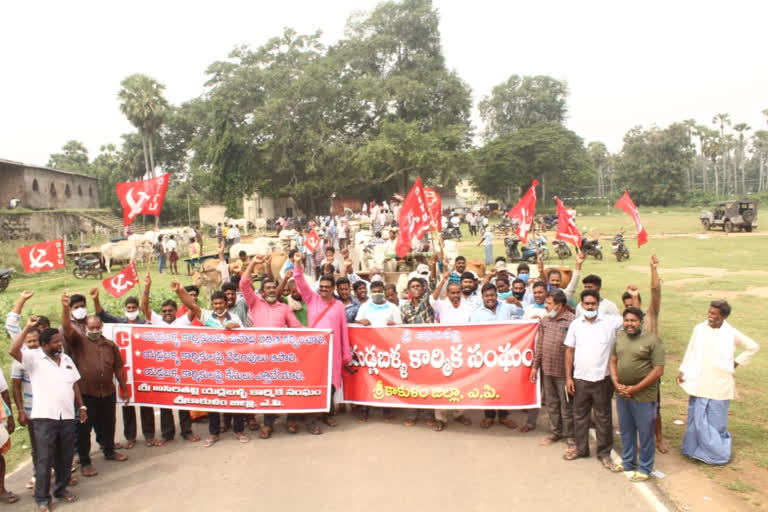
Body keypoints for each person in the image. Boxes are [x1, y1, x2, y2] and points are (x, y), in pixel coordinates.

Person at [10, 319, 86, 510]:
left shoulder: (66, 359)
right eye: (55, 342)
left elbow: (74, 383)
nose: (59, 344)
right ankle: (42, 499)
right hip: (44, 418)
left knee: (65, 456)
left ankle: (61, 489)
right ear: (44, 345)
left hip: (67, 416)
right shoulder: (32, 358)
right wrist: (27, 327)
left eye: (60, 341)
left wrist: (82, 407)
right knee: (44, 459)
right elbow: (13, 351)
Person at [678, 300, 759, 465]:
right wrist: (683, 370)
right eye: (709, 312)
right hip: (699, 381)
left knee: (715, 422)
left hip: (720, 385)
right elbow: (691, 350)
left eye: (714, 314)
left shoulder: (731, 333)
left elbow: (753, 347)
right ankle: (692, 450)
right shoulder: (699, 329)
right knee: (696, 418)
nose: (710, 316)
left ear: (724, 316)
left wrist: (736, 362)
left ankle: (716, 455)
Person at [61, 294, 129, 478]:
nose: (95, 330)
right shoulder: (78, 342)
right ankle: (85, 461)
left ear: (102, 327)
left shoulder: (110, 345)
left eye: (98, 327)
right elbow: (66, 328)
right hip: (86, 394)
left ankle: (110, 451)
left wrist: (124, 387)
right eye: (92, 328)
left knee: (109, 424)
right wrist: (65, 309)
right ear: (85, 327)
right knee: (84, 429)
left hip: (107, 392)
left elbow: (119, 368)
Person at [171, 282, 247, 447]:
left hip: (232, 365)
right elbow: (190, 304)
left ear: (226, 303)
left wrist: (232, 326)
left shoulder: (234, 318)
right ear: (212, 305)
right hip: (212, 366)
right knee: (213, 399)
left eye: (221, 303)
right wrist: (179, 290)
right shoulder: (206, 316)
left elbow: (244, 333)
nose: (218, 306)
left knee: (235, 398)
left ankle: (238, 430)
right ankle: (214, 433)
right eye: (215, 304)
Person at [92, 288, 164, 449]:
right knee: (128, 404)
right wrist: (96, 299)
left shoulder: (144, 324)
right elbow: (101, 315)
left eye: (133, 308)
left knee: (146, 403)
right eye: (128, 308)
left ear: (138, 309)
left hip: (143, 370)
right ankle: (130, 436)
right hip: (126, 371)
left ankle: (149, 435)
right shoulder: (119, 323)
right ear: (125, 309)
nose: (131, 310)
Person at [240, 257, 303, 438]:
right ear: (261, 292)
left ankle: (290, 420)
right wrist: (252, 264)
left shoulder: (284, 308)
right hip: (261, 357)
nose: (271, 290)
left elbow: (297, 328)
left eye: (273, 288)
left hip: (282, 357)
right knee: (267, 390)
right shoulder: (254, 304)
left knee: (288, 388)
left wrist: (320, 334)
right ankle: (268, 424)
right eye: (267, 288)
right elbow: (244, 283)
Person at [292, 253, 353, 433]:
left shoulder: (339, 306)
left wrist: (345, 353)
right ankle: (312, 420)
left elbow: (343, 330)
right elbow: (301, 284)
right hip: (314, 351)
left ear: (333, 288)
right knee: (314, 384)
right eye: (322, 287)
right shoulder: (312, 299)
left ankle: (327, 414)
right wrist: (297, 265)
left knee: (331, 384)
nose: (324, 289)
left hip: (332, 351)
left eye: (327, 287)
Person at [563, 289, 622, 468]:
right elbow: (569, 351)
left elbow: (632, 317)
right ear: (581, 305)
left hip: (602, 380)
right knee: (579, 416)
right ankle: (581, 449)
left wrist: (634, 297)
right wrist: (568, 378)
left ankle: (604, 453)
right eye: (586, 304)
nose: (590, 307)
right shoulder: (576, 325)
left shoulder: (610, 323)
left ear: (598, 305)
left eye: (593, 304)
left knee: (603, 417)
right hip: (580, 379)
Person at [140, 272, 200, 443]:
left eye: (170, 311)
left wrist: (180, 292)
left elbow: (193, 307)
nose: (167, 313)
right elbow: (144, 307)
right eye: (164, 311)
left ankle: (186, 431)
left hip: (180, 368)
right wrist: (147, 287)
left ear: (176, 311)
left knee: (183, 402)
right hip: (162, 369)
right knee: (165, 401)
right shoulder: (157, 321)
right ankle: (167, 434)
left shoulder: (182, 322)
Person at [609, 307, 665, 482]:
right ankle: (628, 462)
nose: (629, 324)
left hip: (644, 397)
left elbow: (658, 370)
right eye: (627, 320)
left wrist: (636, 388)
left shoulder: (653, 340)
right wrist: (616, 382)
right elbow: (613, 361)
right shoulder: (620, 338)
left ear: (641, 322)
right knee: (626, 430)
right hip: (622, 393)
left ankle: (645, 468)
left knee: (645, 433)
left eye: (633, 321)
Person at [622, 254, 667, 453]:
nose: (630, 308)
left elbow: (656, 292)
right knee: (635, 408)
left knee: (654, 408)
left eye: (633, 303)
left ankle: (659, 439)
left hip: (651, 371)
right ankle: (642, 440)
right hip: (632, 372)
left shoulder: (651, 315)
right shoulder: (625, 324)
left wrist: (653, 270)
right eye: (627, 306)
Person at [428, 271, 474, 430]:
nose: (455, 295)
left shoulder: (467, 308)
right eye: (452, 292)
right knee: (442, 383)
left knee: (461, 382)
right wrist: (443, 280)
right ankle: (440, 417)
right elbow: (432, 299)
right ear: (447, 294)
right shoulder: (442, 305)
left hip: (462, 351)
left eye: (457, 292)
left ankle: (459, 413)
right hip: (444, 350)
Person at [472, 283, 521, 429]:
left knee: (504, 385)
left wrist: (517, 302)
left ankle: (504, 416)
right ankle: (489, 416)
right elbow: (473, 334)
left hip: (506, 353)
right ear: (482, 297)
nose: (490, 298)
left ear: (496, 295)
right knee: (488, 386)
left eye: (492, 295)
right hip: (487, 355)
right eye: (487, 296)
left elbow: (523, 314)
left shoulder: (507, 307)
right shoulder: (476, 314)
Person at [531, 290, 575, 449]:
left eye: (549, 304)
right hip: (547, 370)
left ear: (559, 305)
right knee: (552, 404)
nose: (546, 306)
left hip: (564, 373)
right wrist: (535, 367)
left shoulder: (572, 322)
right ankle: (555, 432)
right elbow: (540, 345)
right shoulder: (545, 321)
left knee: (566, 406)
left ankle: (570, 436)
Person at [354, 281, 401, 423]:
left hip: (386, 351)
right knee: (367, 380)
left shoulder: (392, 308)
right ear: (370, 292)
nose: (377, 294)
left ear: (383, 291)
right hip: (368, 351)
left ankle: (386, 409)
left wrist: (395, 326)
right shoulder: (364, 307)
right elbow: (355, 324)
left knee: (385, 380)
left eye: (379, 291)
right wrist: (360, 323)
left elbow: (401, 326)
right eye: (374, 291)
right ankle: (364, 410)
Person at [400, 277, 436, 427]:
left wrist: (434, 265)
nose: (415, 288)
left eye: (418, 286)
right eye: (412, 286)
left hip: (429, 349)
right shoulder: (404, 308)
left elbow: (434, 284)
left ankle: (429, 415)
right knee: (411, 382)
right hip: (412, 351)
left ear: (423, 289)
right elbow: (402, 329)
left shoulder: (427, 302)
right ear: (408, 290)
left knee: (428, 382)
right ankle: (412, 415)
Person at [11, 313, 39, 491]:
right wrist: (21, 411)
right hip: (32, 410)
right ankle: (38, 474)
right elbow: (15, 387)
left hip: (52, 409)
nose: (33, 344)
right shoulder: (20, 360)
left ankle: (60, 472)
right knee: (37, 445)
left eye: (35, 340)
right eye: (29, 342)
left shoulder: (49, 355)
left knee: (56, 442)